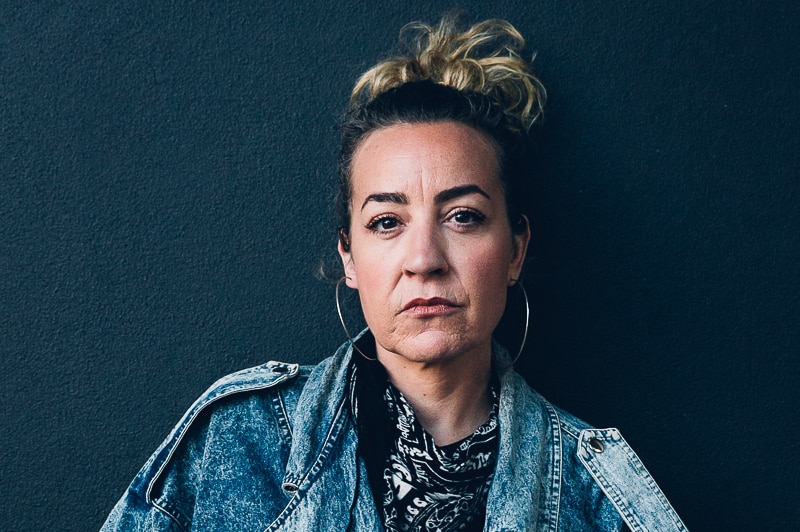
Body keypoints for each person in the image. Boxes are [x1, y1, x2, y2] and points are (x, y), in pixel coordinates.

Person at [101, 15, 687, 532]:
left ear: (514, 250)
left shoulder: (599, 494)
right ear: (349, 259)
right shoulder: (238, 442)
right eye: (386, 222)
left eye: (463, 217)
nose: (424, 258)